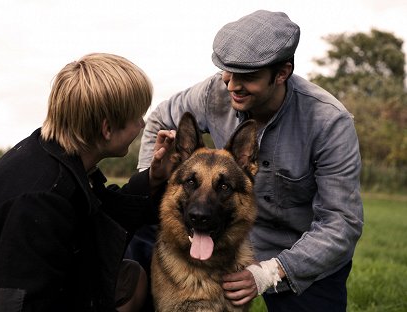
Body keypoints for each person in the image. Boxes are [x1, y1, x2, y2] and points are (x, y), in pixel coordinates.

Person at [136, 10, 364, 312]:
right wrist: (153, 182)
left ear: (282, 73)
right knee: (135, 241)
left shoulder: (329, 122)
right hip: (219, 234)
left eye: (248, 76)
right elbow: (158, 120)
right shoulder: (212, 93)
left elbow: (341, 223)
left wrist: (268, 272)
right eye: (227, 72)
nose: (232, 86)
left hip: (299, 251)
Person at [0, 53, 175, 312]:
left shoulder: (57, 154)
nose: (142, 125)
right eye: (137, 117)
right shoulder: (39, 198)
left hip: (36, 286)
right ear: (107, 129)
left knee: (130, 278)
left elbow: (100, 217)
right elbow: (17, 302)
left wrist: (153, 178)